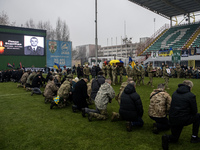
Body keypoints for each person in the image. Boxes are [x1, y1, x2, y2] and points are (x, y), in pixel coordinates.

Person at [162, 80, 200, 150]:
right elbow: (194, 111)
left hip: (173, 118)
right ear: (190, 87)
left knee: (175, 138)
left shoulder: (174, 93)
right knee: (197, 116)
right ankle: (194, 137)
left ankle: (167, 137)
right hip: (182, 118)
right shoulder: (191, 95)